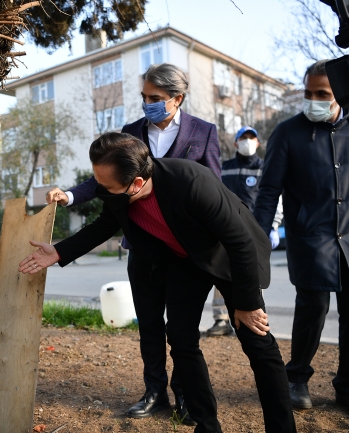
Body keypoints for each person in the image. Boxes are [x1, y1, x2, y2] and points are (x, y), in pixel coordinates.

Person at [22, 132, 297, 432]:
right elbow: (103, 226)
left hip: (228, 258)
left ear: (136, 184)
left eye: (106, 186)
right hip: (184, 261)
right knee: (180, 339)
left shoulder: (191, 181)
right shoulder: (118, 191)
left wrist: (247, 304)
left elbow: (240, 241)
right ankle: (207, 426)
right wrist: (59, 251)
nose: (100, 190)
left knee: (257, 342)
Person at [46, 63, 220, 423]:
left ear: (177, 98)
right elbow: (104, 181)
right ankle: (154, 392)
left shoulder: (203, 133)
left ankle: (185, 392)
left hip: (184, 252)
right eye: (144, 97)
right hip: (142, 248)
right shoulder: (131, 132)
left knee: (183, 332)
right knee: (150, 325)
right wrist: (71, 196)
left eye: (155, 98)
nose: (147, 104)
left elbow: (213, 188)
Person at [254, 59, 349, 421]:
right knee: (312, 311)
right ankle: (297, 380)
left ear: (340, 93)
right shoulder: (287, 132)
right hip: (310, 239)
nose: (313, 100)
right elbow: (268, 192)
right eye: (308, 93)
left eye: (322, 94)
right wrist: (257, 239)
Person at [207, 126, 283, 336]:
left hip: (253, 229)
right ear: (235, 143)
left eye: (251, 138)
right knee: (221, 271)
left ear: (258, 143)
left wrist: (274, 226)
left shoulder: (264, 167)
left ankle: (254, 315)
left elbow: (274, 197)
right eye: (243, 138)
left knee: (252, 274)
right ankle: (221, 319)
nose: (247, 141)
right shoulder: (224, 167)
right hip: (225, 227)